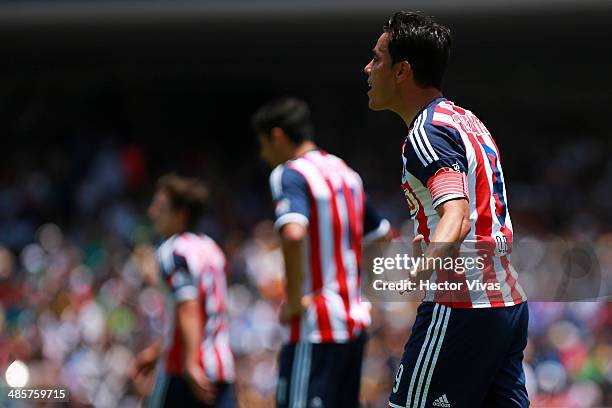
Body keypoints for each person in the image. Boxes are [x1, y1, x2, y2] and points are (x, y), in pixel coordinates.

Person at [363, 11, 529, 408]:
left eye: (377, 59)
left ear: (403, 71)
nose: (368, 68)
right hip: (506, 306)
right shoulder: (467, 120)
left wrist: (423, 264)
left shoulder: (427, 132)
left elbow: (455, 213)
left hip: (460, 306)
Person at [251, 97, 391, 408]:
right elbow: (380, 236)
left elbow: (293, 232)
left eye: (263, 144)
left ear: (277, 136)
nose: (263, 155)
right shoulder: (346, 173)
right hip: (353, 325)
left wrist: (295, 299)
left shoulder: (290, 173)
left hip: (316, 326)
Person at [135, 174, 235, 408]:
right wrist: (158, 350)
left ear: (181, 215)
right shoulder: (212, 249)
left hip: (184, 373)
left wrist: (191, 363)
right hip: (221, 369)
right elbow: (204, 314)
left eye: (160, 207)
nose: (152, 213)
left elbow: (188, 307)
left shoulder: (172, 250)